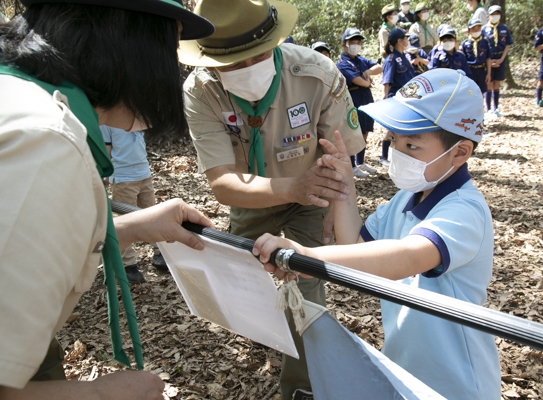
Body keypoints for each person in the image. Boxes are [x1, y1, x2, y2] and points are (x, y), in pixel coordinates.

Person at [0, 0, 215, 398]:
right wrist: (104, 394)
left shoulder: (18, 102)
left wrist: (132, 227)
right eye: (171, 50)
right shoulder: (45, 141)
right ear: (132, 45)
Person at [253, 68, 501, 400]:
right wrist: (344, 187)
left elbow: (407, 258)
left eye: (412, 145)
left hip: (457, 384)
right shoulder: (405, 199)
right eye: (394, 140)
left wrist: (308, 256)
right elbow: (354, 245)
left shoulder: (465, 210)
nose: (398, 152)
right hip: (405, 371)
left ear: (459, 152)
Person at [178, 1, 365, 398]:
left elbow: (339, 155)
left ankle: (300, 387)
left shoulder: (316, 74)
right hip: (253, 196)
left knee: (305, 288)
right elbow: (224, 183)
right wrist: (290, 187)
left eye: (254, 57)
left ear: (273, 42)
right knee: (242, 270)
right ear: (209, 58)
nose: (244, 71)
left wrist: (336, 203)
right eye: (230, 63)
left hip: (312, 195)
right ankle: (265, 332)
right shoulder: (201, 90)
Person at [101, 125, 169, 283]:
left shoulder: (135, 114)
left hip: (143, 172)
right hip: (123, 177)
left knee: (152, 215)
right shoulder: (107, 122)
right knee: (126, 220)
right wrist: (106, 174)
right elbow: (106, 148)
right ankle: (128, 265)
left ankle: (159, 253)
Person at [336, 27, 383, 178]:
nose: (356, 45)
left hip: (366, 99)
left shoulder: (361, 60)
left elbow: (379, 67)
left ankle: (360, 162)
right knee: (352, 133)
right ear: (345, 44)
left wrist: (368, 73)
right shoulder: (343, 63)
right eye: (353, 42)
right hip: (353, 100)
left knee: (365, 132)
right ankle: (351, 165)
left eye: (358, 42)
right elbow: (358, 81)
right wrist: (368, 81)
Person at [380, 28, 415, 169]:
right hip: (396, 96)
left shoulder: (404, 56)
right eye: (405, 38)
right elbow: (387, 80)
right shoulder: (392, 58)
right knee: (392, 128)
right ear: (399, 41)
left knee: (403, 129)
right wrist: (385, 96)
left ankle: (399, 156)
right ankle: (384, 156)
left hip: (407, 96)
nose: (407, 40)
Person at [482, 5, 513, 118]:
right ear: (488, 16)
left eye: (497, 14)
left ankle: (496, 108)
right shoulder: (484, 29)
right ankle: (488, 109)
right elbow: (482, 47)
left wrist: (501, 59)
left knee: (496, 84)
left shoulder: (504, 28)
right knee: (489, 83)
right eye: (493, 14)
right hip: (488, 60)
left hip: (500, 59)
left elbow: (507, 45)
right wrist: (489, 61)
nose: (495, 16)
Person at [460, 19, 491, 98]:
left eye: (478, 28)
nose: (476, 30)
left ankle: (480, 109)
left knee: (481, 93)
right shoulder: (465, 43)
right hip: (470, 71)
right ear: (469, 30)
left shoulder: (485, 42)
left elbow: (488, 58)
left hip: (481, 70)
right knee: (470, 92)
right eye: (474, 29)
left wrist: (488, 73)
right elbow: (462, 59)